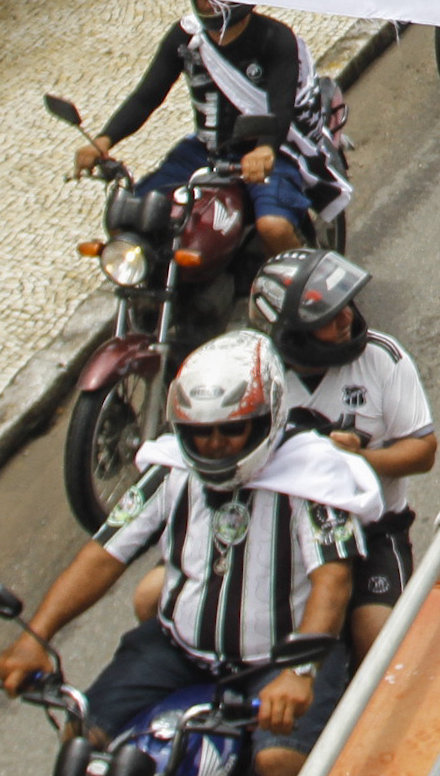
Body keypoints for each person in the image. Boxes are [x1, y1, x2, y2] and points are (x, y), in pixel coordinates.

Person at [1, 332, 376, 776]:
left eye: (231, 429)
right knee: (81, 739)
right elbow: (103, 554)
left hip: (278, 663)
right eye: (199, 432)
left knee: (281, 761)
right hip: (177, 650)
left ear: (267, 416)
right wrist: (36, 637)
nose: (214, 444)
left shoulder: (315, 476)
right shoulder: (169, 470)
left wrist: (301, 671)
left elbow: (332, 581)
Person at [251, 251, 435, 658]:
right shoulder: (258, 377)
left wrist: (357, 460)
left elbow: (423, 452)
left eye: (346, 305)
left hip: (374, 530)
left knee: (378, 640)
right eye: (327, 319)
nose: (347, 319)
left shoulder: (382, 358)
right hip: (285, 534)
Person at [77, 0, 344, 258]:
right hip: (206, 151)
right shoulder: (186, 38)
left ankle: (307, 293)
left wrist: (265, 149)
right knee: (132, 214)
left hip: (273, 152)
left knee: (273, 228)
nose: (206, 3)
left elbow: (281, 107)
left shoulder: (276, 38)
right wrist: (103, 140)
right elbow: (146, 96)